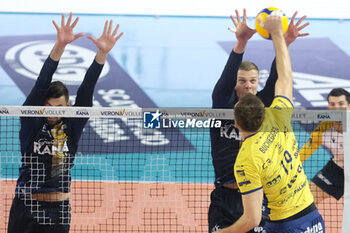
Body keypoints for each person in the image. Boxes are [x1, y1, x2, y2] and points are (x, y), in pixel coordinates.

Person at [7, 13, 123, 233]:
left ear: (68, 105)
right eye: (49, 107)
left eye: (59, 107)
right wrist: (59, 45)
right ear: (42, 104)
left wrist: (101, 54)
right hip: (25, 207)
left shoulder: (72, 124)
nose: (53, 113)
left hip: (57, 211)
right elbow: (42, 82)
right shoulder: (31, 121)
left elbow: (87, 88)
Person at [215, 15, 325, 233]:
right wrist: (279, 39)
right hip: (311, 217)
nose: (247, 87)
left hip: (279, 219)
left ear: (236, 122)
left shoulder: (246, 159)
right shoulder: (279, 115)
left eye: (253, 81)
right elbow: (285, 78)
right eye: (242, 81)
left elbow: (251, 220)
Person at [299, 88, 350, 204]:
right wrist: (289, 166)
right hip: (337, 169)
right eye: (332, 104)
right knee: (305, 201)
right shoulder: (323, 129)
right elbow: (304, 153)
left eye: (341, 104)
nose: (336, 108)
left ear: (349, 107)